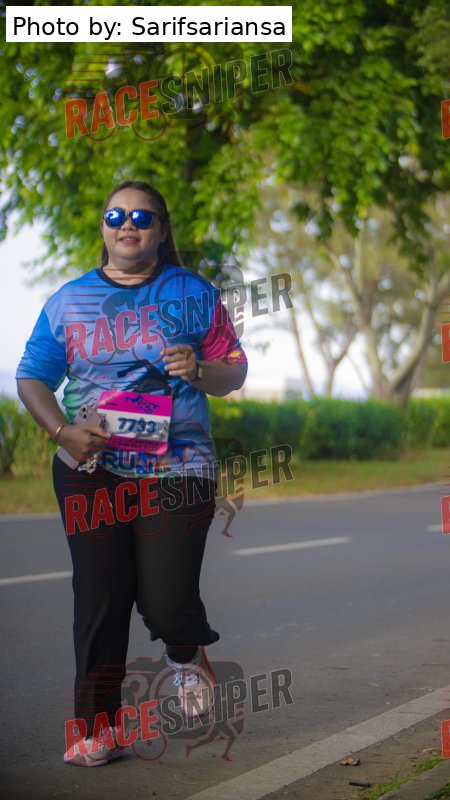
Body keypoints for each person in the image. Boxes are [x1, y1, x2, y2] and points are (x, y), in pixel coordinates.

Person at [16, 180, 247, 766]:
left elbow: (234, 370)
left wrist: (200, 370)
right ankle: (97, 727)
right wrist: (61, 431)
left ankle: (184, 650)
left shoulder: (193, 294)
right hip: (91, 466)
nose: (127, 225)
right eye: (115, 215)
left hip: (178, 465)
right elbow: (31, 376)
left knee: (165, 599)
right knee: (101, 591)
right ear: (103, 227)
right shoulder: (69, 301)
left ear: (162, 231)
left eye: (142, 217)